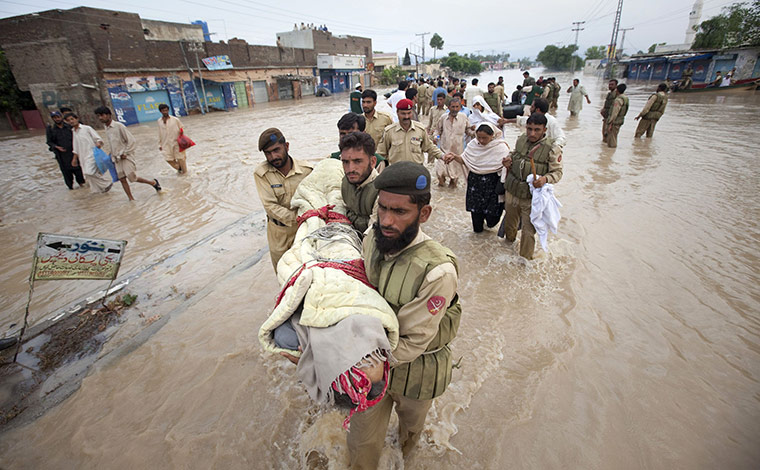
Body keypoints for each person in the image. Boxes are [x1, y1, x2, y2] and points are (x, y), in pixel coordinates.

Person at [347, 161, 461, 469]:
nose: (386, 220)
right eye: (382, 208)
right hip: (371, 360)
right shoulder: (372, 240)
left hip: (417, 370)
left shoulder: (438, 271)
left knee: (409, 436)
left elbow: (414, 340)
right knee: (360, 443)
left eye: (399, 212)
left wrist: (374, 364)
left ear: (423, 214)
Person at [502, 113, 563, 260]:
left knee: (528, 232)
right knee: (510, 225)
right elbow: (515, 153)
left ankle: (524, 262)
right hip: (512, 191)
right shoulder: (521, 139)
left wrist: (544, 179)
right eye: (529, 129)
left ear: (545, 130)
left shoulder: (552, 148)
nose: (532, 133)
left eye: (536, 130)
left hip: (532, 198)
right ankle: (507, 248)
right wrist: (508, 159)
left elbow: (558, 172)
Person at [254, 128, 313, 269]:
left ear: (286, 146)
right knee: (283, 275)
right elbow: (270, 206)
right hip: (278, 234)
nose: (273, 157)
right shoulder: (262, 174)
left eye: (276, 150)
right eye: (268, 153)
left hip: (303, 231)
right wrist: (298, 218)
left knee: (306, 271)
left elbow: (313, 199)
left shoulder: (306, 170)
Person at [445, 122, 507, 232]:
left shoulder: (501, 148)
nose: (481, 141)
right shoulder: (473, 145)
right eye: (479, 137)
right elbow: (465, 160)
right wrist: (455, 157)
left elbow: (506, 168)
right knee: (476, 222)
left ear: (492, 136)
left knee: (492, 220)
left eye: (485, 138)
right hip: (475, 185)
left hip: (492, 187)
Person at [95, 106, 161, 200]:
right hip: (116, 157)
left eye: (102, 115)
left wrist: (125, 152)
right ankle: (131, 199)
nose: (100, 118)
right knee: (122, 179)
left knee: (132, 177)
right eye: (98, 116)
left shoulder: (119, 126)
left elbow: (131, 141)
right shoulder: (106, 128)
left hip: (126, 156)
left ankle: (153, 183)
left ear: (109, 115)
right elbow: (113, 142)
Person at [376, 99, 445, 165]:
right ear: (397, 113)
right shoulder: (389, 131)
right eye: (403, 114)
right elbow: (381, 153)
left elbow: (429, 147)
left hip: (416, 171)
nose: (406, 117)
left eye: (409, 113)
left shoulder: (420, 129)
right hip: (396, 172)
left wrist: (442, 156)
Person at [339, 131, 380, 234]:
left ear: (373, 162)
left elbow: (373, 234)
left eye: (357, 161)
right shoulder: (346, 183)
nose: (350, 169)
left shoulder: (382, 192)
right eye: (345, 162)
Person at [64, 112, 113, 194]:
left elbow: (98, 138)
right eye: (69, 120)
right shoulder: (73, 132)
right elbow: (75, 147)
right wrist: (74, 159)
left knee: (89, 172)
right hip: (82, 157)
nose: (71, 121)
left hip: (92, 155)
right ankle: (100, 193)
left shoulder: (86, 128)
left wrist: (99, 143)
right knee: (88, 176)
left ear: (77, 119)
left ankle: (106, 183)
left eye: (72, 119)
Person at [433, 97, 470, 187]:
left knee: (454, 180)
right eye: (453, 107)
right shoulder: (443, 118)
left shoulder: (463, 117)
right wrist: (436, 137)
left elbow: (468, 131)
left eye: (457, 107)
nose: (455, 109)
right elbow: (438, 131)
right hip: (444, 151)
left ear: (460, 107)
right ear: (448, 107)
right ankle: (442, 197)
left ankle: (451, 198)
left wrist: (474, 131)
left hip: (457, 153)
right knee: (440, 174)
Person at [501, 98, 566, 149]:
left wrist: (551, 149)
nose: (530, 109)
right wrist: (507, 121)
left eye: (532, 107)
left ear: (537, 109)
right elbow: (521, 120)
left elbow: (562, 138)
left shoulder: (552, 121)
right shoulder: (533, 119)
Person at [46, 111, 85, 190]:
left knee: (79, 171)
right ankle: (71, 189)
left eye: (58, 117)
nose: (57, 119)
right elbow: (49, 142)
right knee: (67, 173)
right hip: (61, 156)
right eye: (54, 118)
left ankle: (83, 187)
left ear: (61, 117)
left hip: (73, 153)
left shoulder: (69, 127)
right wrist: (56, 147)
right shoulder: (51, 129)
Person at [157, 104, 188, 174]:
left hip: (177, 142)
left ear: (168, 110)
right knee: (168, 159)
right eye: (163, 110)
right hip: (166, 143)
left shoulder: (175, 119)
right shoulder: (159, 121)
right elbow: (159, 133)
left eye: (166, 110)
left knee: (181, 159)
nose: (165, 112)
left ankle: (185, 175)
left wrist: (182, 137)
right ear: (160, 111)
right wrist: (160, 144)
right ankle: (179, 168)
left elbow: (182, 128)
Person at [605, 83, 629, 148]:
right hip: (619, 120)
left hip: (615, 122)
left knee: (612, 139)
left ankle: (610, 154)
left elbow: (615, 113)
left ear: (617, 90)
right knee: (614, 136)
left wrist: (610, 123)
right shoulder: (625, 98)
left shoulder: (618, 100)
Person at [601, 79, 619, 143]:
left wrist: (612, 120)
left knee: (608, 135)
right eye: (609, 84)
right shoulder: (609, 94)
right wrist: (603, 110)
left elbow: (616, 108)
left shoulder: (617, 95)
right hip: (606, 117)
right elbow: (606, 104)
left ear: (616, 86)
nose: (610, 86)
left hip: (611, 118)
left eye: (612, 85)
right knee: (604, 134)